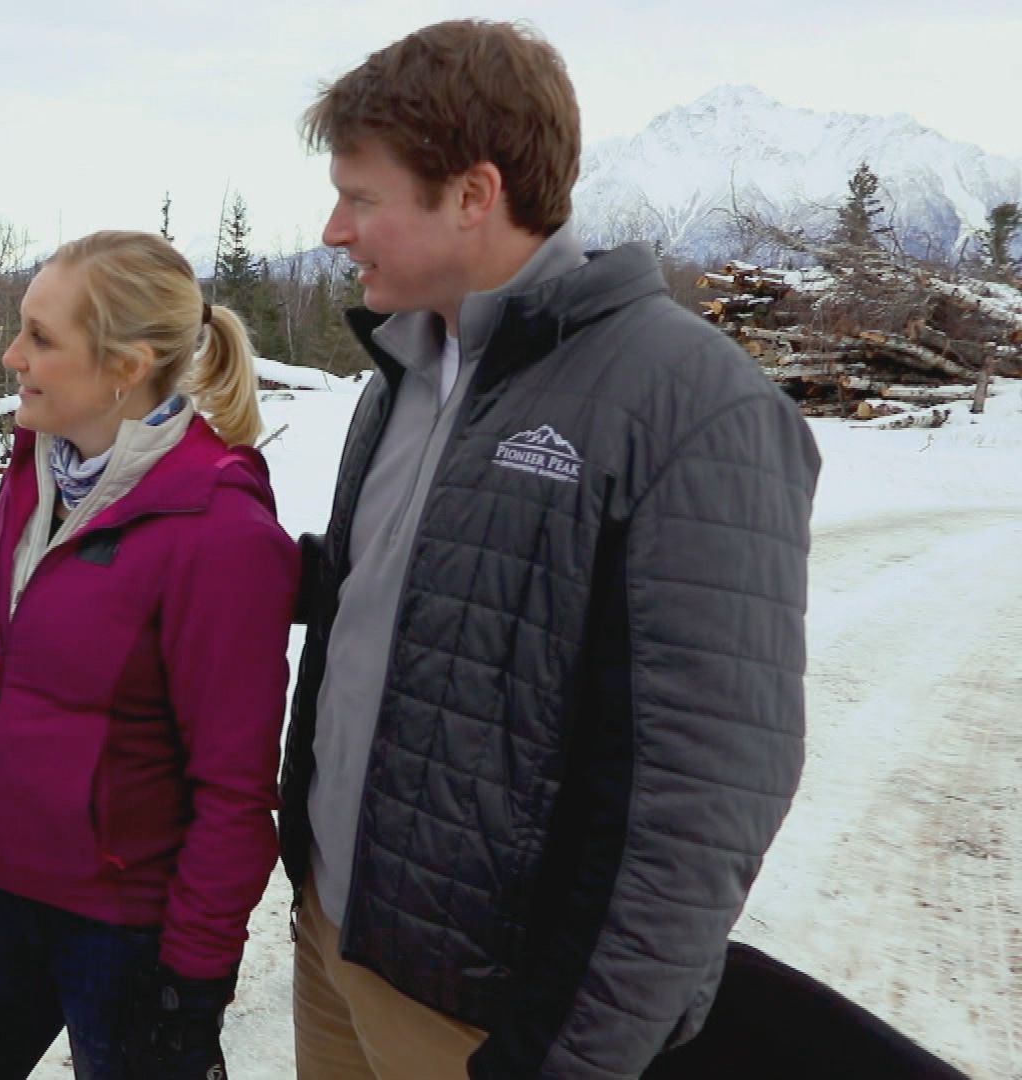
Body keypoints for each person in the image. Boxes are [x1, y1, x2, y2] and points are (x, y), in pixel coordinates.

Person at [279, 20, 821, 1079]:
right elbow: (423, 602)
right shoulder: (406, 365)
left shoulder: (693, 404)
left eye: (364, 197)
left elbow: (708, 794)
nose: (336, 228)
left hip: (487, 1015)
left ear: (474, 194)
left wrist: (576, 1055)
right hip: (333, 939)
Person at [0, 230, 299, 1079]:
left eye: (42, 338)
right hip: (3, 899)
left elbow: (235, 790)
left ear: (126, 366)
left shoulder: (220, 532)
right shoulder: (36, 468)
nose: (12, 355)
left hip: (127, 937)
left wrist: (195, 978)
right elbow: (5, 675)